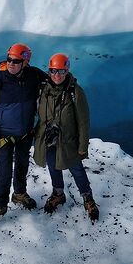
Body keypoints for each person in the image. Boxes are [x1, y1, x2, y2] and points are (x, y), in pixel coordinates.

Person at [0, 43, 47, 225]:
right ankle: (1, 203)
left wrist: (69, 80)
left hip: (25, 133)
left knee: (22, 165)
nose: (11, 63)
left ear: (25, 62)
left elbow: (54, 81)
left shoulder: (34, 75)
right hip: (3, 136)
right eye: (9, 59)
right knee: (4, 170)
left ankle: (19, 194)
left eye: (16, 61)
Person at [34, 53, 99, 222]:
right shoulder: (43, 90)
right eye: (54, 71)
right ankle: (58, 193)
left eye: (61, 72)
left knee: (76, 168)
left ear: (67, 71)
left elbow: (84, 122)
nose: (57, 75)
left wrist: (82, 146)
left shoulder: (75, 92)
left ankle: (88, 198)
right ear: (49, 71)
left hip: (68, 140)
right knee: (52, 164)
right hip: (48, 138)